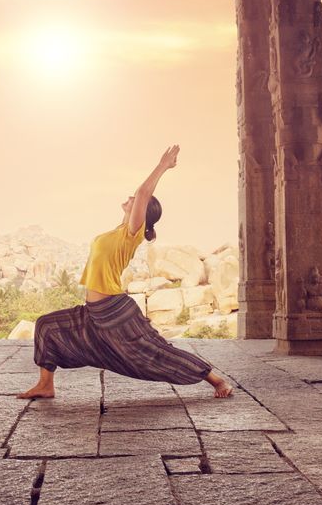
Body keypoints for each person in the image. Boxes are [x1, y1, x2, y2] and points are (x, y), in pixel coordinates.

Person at [18, 145, 234, 400]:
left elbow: (143, 192)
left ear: (142, 212)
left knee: (156, 352)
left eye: (136, 200)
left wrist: (163, 165)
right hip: (93, 313)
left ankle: (215, 379)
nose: (131, 197)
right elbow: (139, 197)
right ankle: (46, 385)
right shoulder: (118, 232)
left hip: (114, 312)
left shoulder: (133, 234)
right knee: (46, 326)